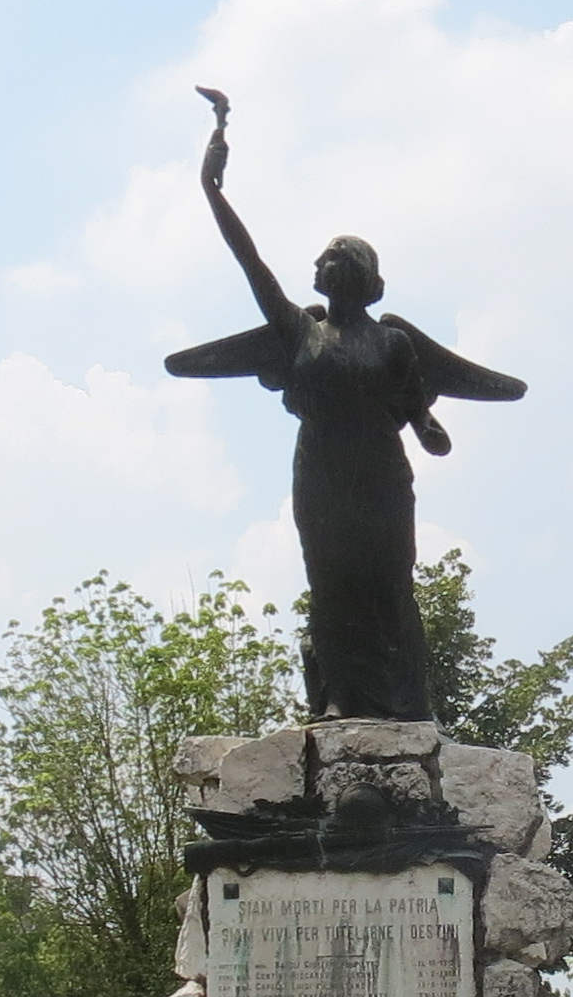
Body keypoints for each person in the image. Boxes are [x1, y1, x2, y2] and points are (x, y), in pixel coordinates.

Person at [165, 99, 523, 722]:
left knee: (392, 589)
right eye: (319, 260)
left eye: (334, 258)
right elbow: (251, 262)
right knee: (330, 587)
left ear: (362, 277)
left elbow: (418, 407)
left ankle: (413, 708)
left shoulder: (392, 341)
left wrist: (427, 425)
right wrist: (210, 187)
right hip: (322, 472)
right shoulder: (301, 330)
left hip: (382, 477)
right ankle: (337, 699)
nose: (320, 265)